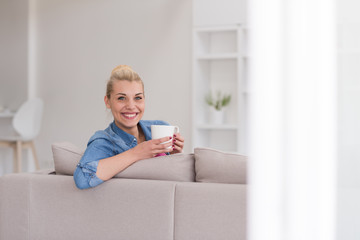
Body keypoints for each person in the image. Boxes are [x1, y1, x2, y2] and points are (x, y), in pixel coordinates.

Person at [74, 65, 185, 189]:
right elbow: (83, 179)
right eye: (121, 98)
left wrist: (176, 155)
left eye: (138, 98)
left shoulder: (161, 126)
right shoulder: (104, 141)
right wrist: (136, 153)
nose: (131, 106)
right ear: (107, 102)